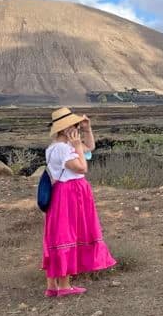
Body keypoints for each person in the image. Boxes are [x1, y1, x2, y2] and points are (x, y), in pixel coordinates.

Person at [43, 107, 116, 297]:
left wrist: (87, 129)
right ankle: (65, 286)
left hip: (68, 192)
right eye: (75, 125)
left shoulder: (57, 147)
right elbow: (82, 168)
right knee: (67, 234)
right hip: (70, 193)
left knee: (60, 234)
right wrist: (76, 146)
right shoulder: (62, 148)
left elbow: (90, 148)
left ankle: (53, 286)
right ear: (65, 128)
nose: (77, 127)